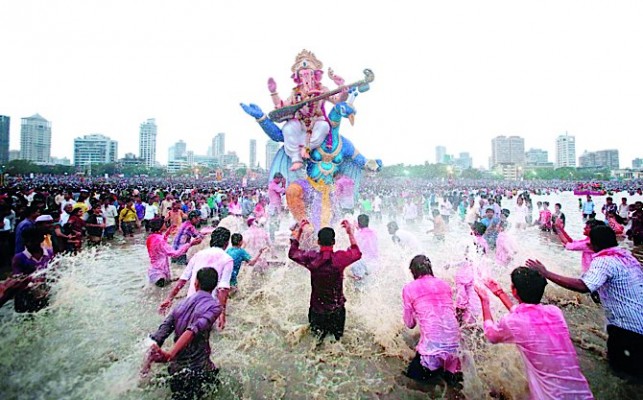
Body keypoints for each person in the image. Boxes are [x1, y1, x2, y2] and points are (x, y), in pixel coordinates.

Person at [526, 225, 643, 377]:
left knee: (623, 374)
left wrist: (546, 273)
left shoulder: (604, 261)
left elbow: (583, 286)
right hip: (638, 323)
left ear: (593, 244)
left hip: (627, 328)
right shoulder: (627, 256)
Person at [475, 268, 594, 399]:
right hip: (583, 393)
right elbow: (525, 315)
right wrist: (499, 293)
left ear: (514, 291)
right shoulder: (555, 312)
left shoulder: (513, 321)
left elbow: (491, 335)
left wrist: (484, 302)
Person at [145, 267, 223, 400]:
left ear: (196, 283)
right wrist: (170, 354)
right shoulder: (215, 306)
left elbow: (157, 337)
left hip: (176, 371)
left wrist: (145, 367)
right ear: (216, 285)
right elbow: (193, 329)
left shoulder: (180, 305)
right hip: (200, 371)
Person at [288, 219, 362, 341]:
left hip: (317, 311)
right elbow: (357, 252)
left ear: (318, 242)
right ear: (334, 242)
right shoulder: (340, 258)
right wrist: (350, 233)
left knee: (316, 344)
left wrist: (300, 232)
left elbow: (292, 253)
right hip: (337, 311)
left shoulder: (311, 258)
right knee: (337, 344)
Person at [402, 255, 462, 387]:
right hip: (455, 349)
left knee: (409, 381)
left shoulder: (409, 288)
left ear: (413, 272)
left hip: (431, 354)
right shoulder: (445, 285)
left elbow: (410, 324)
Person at [160, 227, 233, 330]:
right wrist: (222, 314)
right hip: (209, 307)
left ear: (211, 241)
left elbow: (183, 279)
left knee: (187, 333)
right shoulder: (227, 259)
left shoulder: (198, 255)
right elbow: (223, 289)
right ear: (226, 243)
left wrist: (170, 298)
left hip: (190, 303)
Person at [146, 218, 202, 287]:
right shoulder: (160, 240)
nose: (166, 224)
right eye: (164, 223)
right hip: (160, 273)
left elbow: (161, 243)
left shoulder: (151, 237)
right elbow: (175, 254)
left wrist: (168, 232)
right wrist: (190, 244)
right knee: (162, 293)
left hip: (153, 271)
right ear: (160, 226)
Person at [11, 227, 53, 313]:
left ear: (40, 240)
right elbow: (17, 279)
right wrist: (32, 285)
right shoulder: (19, 258)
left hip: (46, 294)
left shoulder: (49, 254)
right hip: (27, 297)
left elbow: (55, 272)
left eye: (33, 241)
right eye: (26, 241)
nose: (29, 243)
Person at [349, 214, 380, 289]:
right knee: (371, 287)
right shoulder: (375, 233)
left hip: (362, 264)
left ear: (358, 223)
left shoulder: (357, 235)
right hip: (374, 263)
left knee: (358, 287)